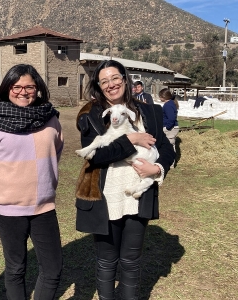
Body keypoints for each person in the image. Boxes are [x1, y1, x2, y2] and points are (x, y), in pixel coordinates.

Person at [75, 60, 175, 300]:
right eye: (104, 81)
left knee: (131, 261)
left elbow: (166, 149)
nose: (111, 85)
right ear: (99, 86)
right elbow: (96, 155)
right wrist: (132, 140)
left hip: (137, 196)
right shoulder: (90, 114)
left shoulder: (151, 111)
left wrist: (158, 168)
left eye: (115, 78)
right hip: (106, 197)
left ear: (125, 79)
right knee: (107, 261)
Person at [0, 64, 64, 300]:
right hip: (7, 209)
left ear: (38, 89)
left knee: (52, 269)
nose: (23, 92)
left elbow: (56, 151)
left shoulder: (50, 118)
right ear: (7, 89)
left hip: (44, 206)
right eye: (17, 86)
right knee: (16, 269)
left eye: (30, 87)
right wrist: (2, 189)